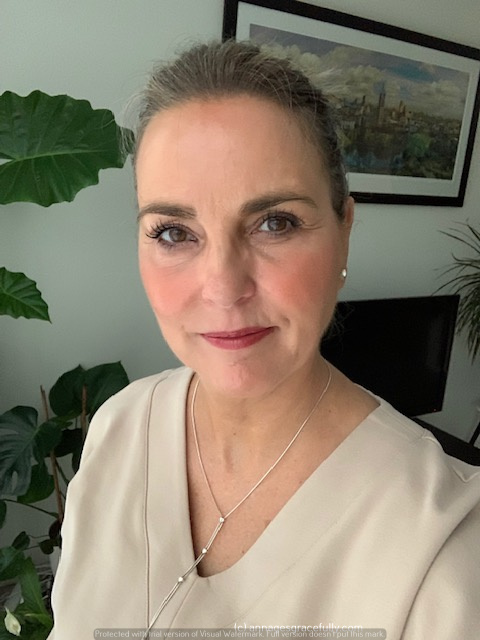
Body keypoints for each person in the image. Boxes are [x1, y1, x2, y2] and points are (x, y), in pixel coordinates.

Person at [47, 41, 480, 639]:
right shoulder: (118, 428)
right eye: (173, 232)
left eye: (275, 223)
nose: (224, 288)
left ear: (344, 230)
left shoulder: (446, 545)